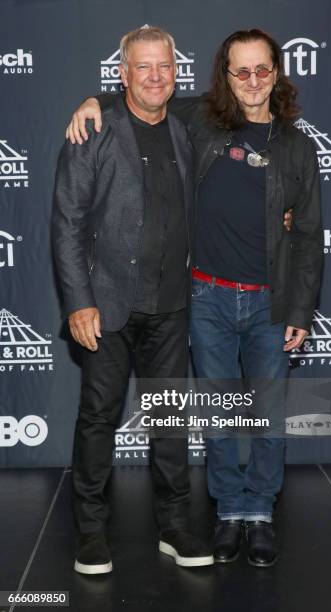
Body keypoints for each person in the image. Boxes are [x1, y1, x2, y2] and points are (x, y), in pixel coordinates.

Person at [66, 28, 323, 568]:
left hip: (257, 306)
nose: (252, 81)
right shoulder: (204, 122)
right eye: (241, 71)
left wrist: (301, 310)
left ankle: (257, 515)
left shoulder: (298, 147)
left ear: (276, 73)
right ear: (225, 78)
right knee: (214, 416)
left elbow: (308, 235)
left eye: (262, 69)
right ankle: (227, 512)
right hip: (201, 299)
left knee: (263, 419)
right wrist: (94, 100)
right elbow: (143, 95)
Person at [52, 26, 214, 575]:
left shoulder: (188, 125)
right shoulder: (94, 128)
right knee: (98, 416)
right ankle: (91, 533)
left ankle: (174, 526)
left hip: (171, 304)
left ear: (176, 72)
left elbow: (239, 104)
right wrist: (78, 301)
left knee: (170, 419)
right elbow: (68, 221)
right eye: (142, 67)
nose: (154, 77)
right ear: (122, 73)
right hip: (107, 303)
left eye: (164, 67)